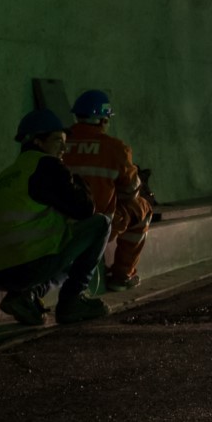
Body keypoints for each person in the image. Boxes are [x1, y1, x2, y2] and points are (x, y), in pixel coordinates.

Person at [0, 109, 110, 326]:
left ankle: (25, 296)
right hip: (27, 266)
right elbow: (85, 210)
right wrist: (78, 181)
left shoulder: (9, 173)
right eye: (58, 141)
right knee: (101, 224)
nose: (64, 148)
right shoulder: (47, 166)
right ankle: (72, 301)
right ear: (38, 141)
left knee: (66, 242)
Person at [63, 89, 153, 290]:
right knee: (143, 208)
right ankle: (122, 275)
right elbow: (131, 191)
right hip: (98, 227)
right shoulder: (114, 148)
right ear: (103, 119)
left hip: (58, 227)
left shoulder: (59, 142)